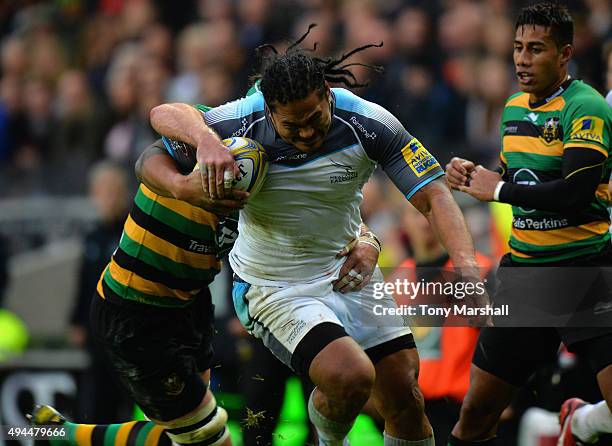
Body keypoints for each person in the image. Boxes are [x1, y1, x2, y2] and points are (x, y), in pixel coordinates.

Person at [140, 26, 486, 446]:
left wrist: (466, 267)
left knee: (405, 395)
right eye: (292, 125)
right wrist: (198, 154)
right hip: (274, 287)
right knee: (350, 375)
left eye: (314, 118)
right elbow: (157, 135)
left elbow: (433, 195)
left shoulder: (367, 122)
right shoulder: (240, 122)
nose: (306, 133)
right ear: (268, 110)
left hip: (348, 272)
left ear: (326, 93)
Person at [444, 3, 612, 446]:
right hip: (527, 276)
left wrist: (496, 190)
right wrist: (471, 174)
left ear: (565, 54)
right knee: (475, 416)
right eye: (518, 48)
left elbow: (575, 193)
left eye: (536, 49)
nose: (522, 58)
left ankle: (581, 424)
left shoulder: (587, 107)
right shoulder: (513, 107)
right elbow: (518, 177)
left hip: (587, 272)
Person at [68, 160, 133, 423]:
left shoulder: (132, 233)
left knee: (127, 405)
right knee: (97, 404)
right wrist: (76, 321)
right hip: (96, 334)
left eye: (111, 190)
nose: (106, 197)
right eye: (100, 190)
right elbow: (84, 283)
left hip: (127, 334)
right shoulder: (92, 238)